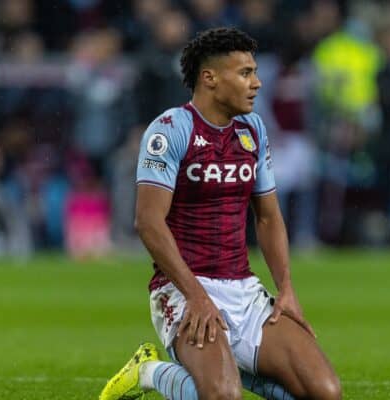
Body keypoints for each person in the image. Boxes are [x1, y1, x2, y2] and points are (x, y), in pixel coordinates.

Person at [99, 27, 341, 400]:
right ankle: (148, 371)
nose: (257, 83)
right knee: (221, 398)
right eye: (245, 73)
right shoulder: (170, 130)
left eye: (255, 72)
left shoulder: (252, 130)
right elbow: (148, 222)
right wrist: (196, 296)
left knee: (325, 392)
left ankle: (229, 366)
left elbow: (268, 217)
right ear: (210, 78)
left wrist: (287, 289)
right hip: (182, 288)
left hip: (242, 289)